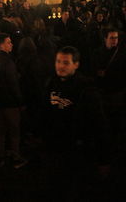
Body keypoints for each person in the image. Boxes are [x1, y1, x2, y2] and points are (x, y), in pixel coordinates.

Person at [39, 46, 110, 201]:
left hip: (77, 152)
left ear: (76, 64)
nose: (60, 66)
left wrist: (103, 159)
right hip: (54, 149)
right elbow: (44, 113)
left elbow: (100, 125)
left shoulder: (86, 90)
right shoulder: (50, 83)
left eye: (66, 62)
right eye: (58, 61)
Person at [0, 33, 27, 168]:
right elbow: (13, 85)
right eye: (9, 42)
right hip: (10, 104)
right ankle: (16, 157)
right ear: (2, 45)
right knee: (14, 132)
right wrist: (20, 102)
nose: (12, 44)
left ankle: (1, 157)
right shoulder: (8, 62)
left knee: (0, 132)